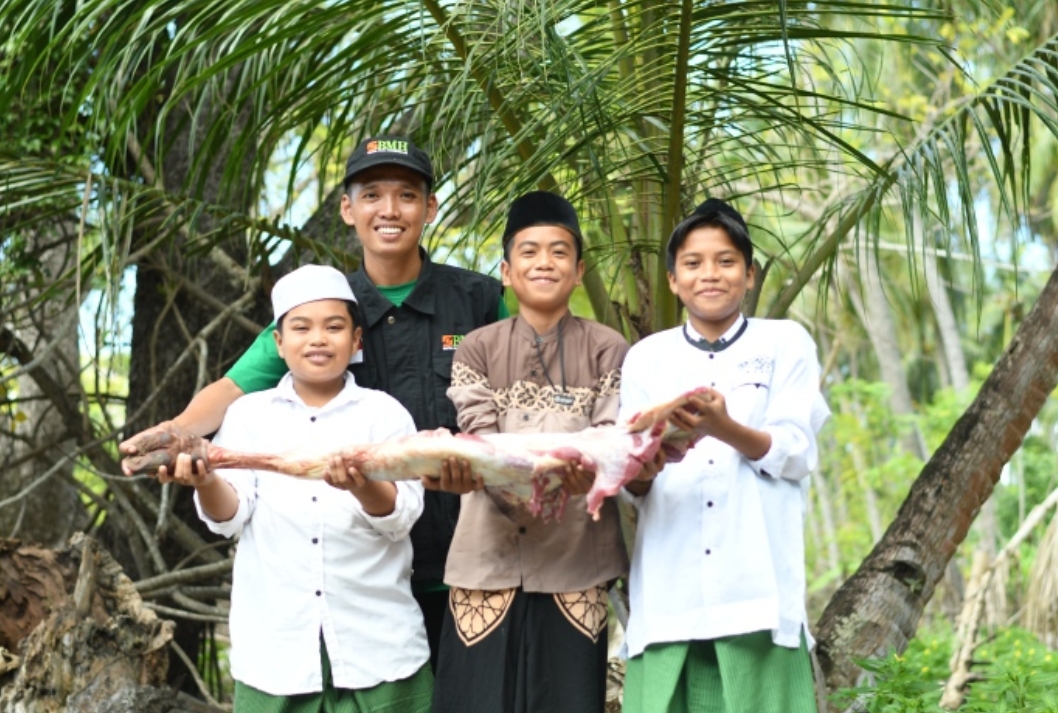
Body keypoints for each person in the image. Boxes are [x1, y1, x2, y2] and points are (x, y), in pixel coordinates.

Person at [120, 135, 506, 669]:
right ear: (347, 209)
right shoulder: (323, 307)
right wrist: (177, 434)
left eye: (407, 195)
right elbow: (233, 389)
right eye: (371, 195)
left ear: (430, 208)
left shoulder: (480, 299)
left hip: (473, 561)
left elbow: (521, 399)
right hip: (365, 576)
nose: (389, 210)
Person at [164, 265, 432, 712]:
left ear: (357, 341)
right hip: (275, 653)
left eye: (334, 327)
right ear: (279, 343)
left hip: (380, 645)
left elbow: (401, 517)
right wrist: (207, 480)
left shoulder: (384, 415)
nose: (318, 339)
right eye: (301, 327)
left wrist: (364, 486)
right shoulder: (249, 416)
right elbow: (229, 518)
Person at [618, 199, 828, 713]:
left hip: (757, 590)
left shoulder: (785, 343)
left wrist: (725, 428)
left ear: (750, 274)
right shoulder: (647, 356)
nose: (709, 274)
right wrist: (642, 469)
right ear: (672, 280)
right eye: (692, 263)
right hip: (669, 599)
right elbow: (633, 480)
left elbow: (797, 452)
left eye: (726, 261)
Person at [429, 191, 630, 713]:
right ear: (506, 270)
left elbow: (608, 442)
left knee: (567, 701)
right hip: (485, 559)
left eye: (560, 252)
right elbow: (480, 436)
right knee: (473, 700)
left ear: (580, 269)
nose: (545, 262)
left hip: (576, 562)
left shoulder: (609, 348)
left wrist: (570, 465)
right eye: (530, 251)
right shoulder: (477, 346)